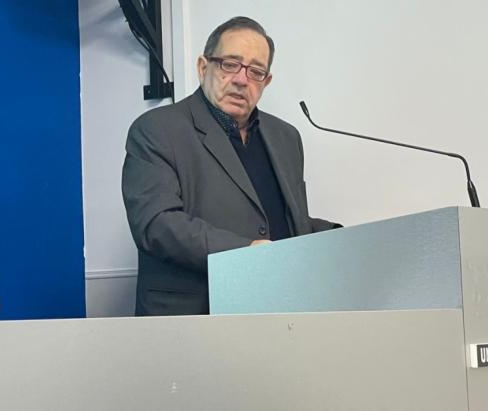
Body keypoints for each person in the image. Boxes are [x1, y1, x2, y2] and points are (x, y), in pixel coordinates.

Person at [122, 16, 340, 316]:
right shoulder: (156, 129)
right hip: (195, 316)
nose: (241, 80)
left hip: (278, 308)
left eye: (256, 72)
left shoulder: (286, 137)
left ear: (266, 82)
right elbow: (156, 224)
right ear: (203, 67)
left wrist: (340, 238)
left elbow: (288, 223)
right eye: (230, 64)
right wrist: (246, 253)